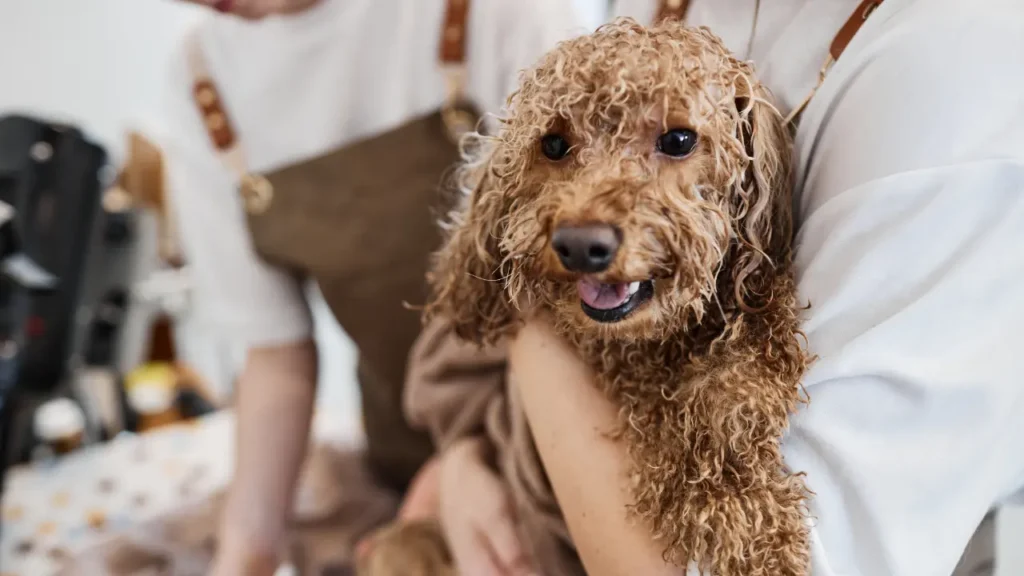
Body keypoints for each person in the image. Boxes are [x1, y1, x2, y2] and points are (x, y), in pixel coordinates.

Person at [432, 0, 1023, 574]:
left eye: (676, 143)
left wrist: (529, 328)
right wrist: (457, 463)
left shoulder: (958, 71)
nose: (586, 222)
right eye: (559, 149)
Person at [160, 0, 595, 574]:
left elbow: (585, 285)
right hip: (401, 461)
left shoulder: (496, 13)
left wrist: (469, 452)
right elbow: (276, 358)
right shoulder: (200, 78)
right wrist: (245, 555)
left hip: (562, 449)